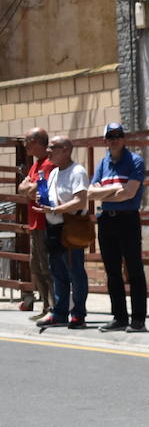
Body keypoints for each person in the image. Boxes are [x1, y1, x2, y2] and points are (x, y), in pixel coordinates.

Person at [87, 123, 148, 333]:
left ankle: (138, 319)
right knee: (112, 272)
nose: (114, 139)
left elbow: (129, 193)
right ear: (105, 140)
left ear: (124, 139)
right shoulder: (103, 163)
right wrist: (115, 189)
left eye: (118, 135)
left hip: (128, 219)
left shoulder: (135, 161)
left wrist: (104, 192)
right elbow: (90, 192)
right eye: (110, 136)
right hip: (106, 220)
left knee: (134, 270)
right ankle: (119, 317)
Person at [34, 135, 89, 330]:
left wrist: (55, 210)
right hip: (54, 229)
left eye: (53, 148)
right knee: (58, 273)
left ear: (66, 150)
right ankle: (60, 312)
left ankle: (78, 314)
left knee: (75, 273)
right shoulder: (55, 172)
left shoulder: (77, 171)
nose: (48, 151)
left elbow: (80, 201)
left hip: (70, 228)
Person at [16, 128, 55, 319]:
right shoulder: (35, 165)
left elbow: (41, 190)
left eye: (27, 141)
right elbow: (23, 187)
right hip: (35, 223)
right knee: (36, 267)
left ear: (37, 142)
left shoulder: (49, 163)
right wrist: (28, 187)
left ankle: (54, 307)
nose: (25, 146)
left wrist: (28, 187)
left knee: (47, 266)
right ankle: (46, 307)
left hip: (45, 222)